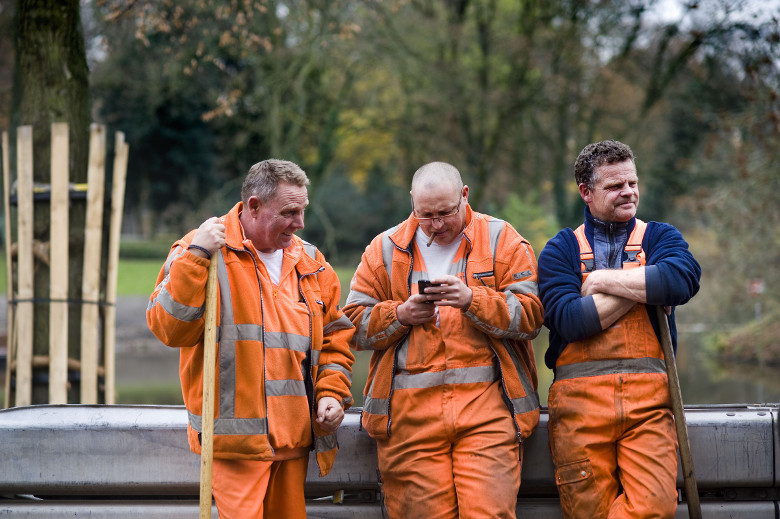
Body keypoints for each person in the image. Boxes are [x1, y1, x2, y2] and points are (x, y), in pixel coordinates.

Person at [146, 159, 355, 518]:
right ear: (254, 206)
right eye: (289, 212)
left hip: (294, 441)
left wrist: (332, 393)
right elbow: (168, 328)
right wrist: (196, 256)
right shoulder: (201, 251)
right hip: (234, 444)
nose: (300, 223)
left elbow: (336, 339)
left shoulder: (312, 262)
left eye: (303, 210)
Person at [343, 161, 544, 519]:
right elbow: (351, 327)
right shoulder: (384, 249)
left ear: (465, 196)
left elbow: (532, 316)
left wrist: (473, 300)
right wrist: (400, 315)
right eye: (425, 215)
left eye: (445, 212)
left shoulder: (502, 239)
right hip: (408, 421)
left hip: (488, 415)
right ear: (412, 204)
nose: (436, 224)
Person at [538, 140, 701, 518]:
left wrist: (597, 282)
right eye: (614, 186)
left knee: (655, 508)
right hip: (579, 411)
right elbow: (569, 320)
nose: (628, 192)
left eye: (632, 182)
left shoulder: (661, 236)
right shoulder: (560, 249)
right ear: (586, 191)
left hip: (650, 407)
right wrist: (646, 287)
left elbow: (682, 279)